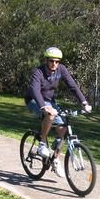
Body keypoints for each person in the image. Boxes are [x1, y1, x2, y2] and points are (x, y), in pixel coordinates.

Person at [24, 47, 92, 178]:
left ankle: (55, 158)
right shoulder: (38, 72)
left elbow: (73, 86)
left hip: (50, 101)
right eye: (51, 61)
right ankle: (42, 144)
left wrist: (84, 102)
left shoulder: (61, 69)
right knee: (50, 114)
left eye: (57, 61)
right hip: (34, 100)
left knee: (63, 130)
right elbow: (35, 90)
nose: (54, 64)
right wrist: (43, 106)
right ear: (46, 60)